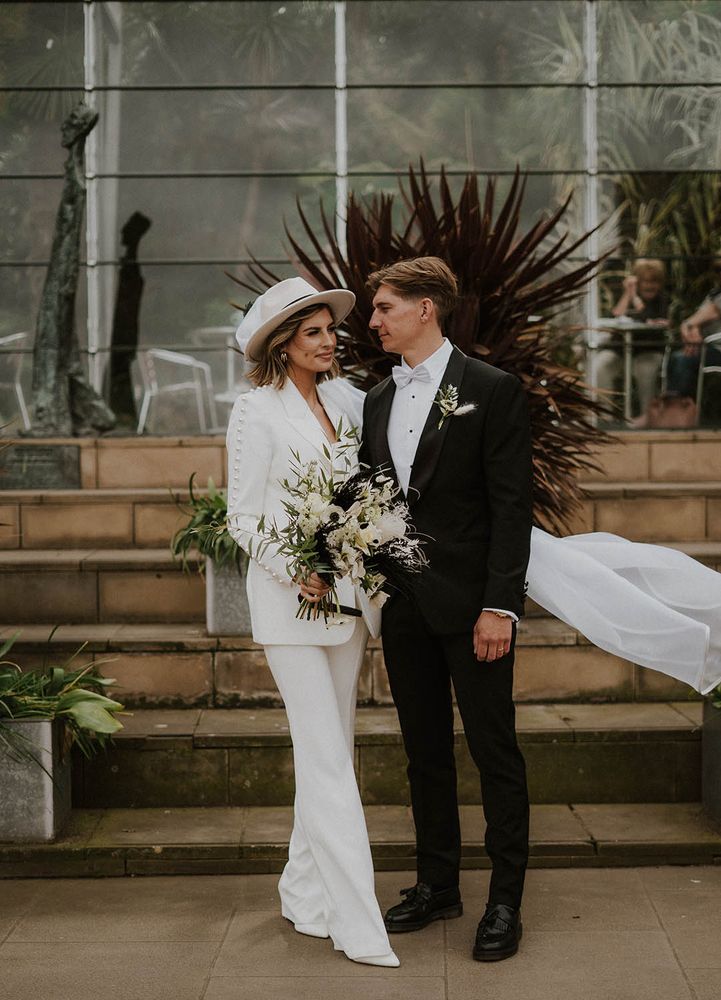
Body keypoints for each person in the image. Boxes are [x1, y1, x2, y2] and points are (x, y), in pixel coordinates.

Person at [359, 256, 534, 962]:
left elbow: (511, 507)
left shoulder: (492, 389)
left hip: (474, 610)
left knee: (495, 752)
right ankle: (437, 884)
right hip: (403, 606)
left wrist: (500, 605)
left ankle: (504, 902)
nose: (372, 321)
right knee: (423, 754)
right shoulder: (376, 398)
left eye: (383, 308)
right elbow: (373, 501)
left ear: (426, 308)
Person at [225, 276, 399, 968]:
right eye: (313, 333)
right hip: (290, 605)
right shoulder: (254, 411)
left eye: (331, 330)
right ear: (282, 345)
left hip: (350, 605)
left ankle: (303, 890)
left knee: (335, 751)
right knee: (325, 758)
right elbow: (241, 514)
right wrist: (291, 563)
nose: (329, 342)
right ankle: (357, 921)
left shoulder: (346, 400)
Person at [596, 258, 670, 418]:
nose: (650, 285)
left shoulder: (662, 300)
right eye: (645, 281)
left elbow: (646, 315)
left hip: (647, 350)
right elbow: (616, 315)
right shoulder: (626, 296)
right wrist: (628, 294)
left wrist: (635, 297)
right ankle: (604, 417)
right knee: (600, 365)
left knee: (646, 371)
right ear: (637, 281)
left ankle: (647, 417)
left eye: (654, 281)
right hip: (621, 350)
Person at [666, 261, 721, 405]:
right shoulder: (714, 293)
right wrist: (695, 330)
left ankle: (677, 409)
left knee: (682, 359)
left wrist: (689, 324)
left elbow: (712, 312)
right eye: (718, 270)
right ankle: (675, 407)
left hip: (717, 348)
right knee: (677, 357)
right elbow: (701, 316)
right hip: (709, 346)